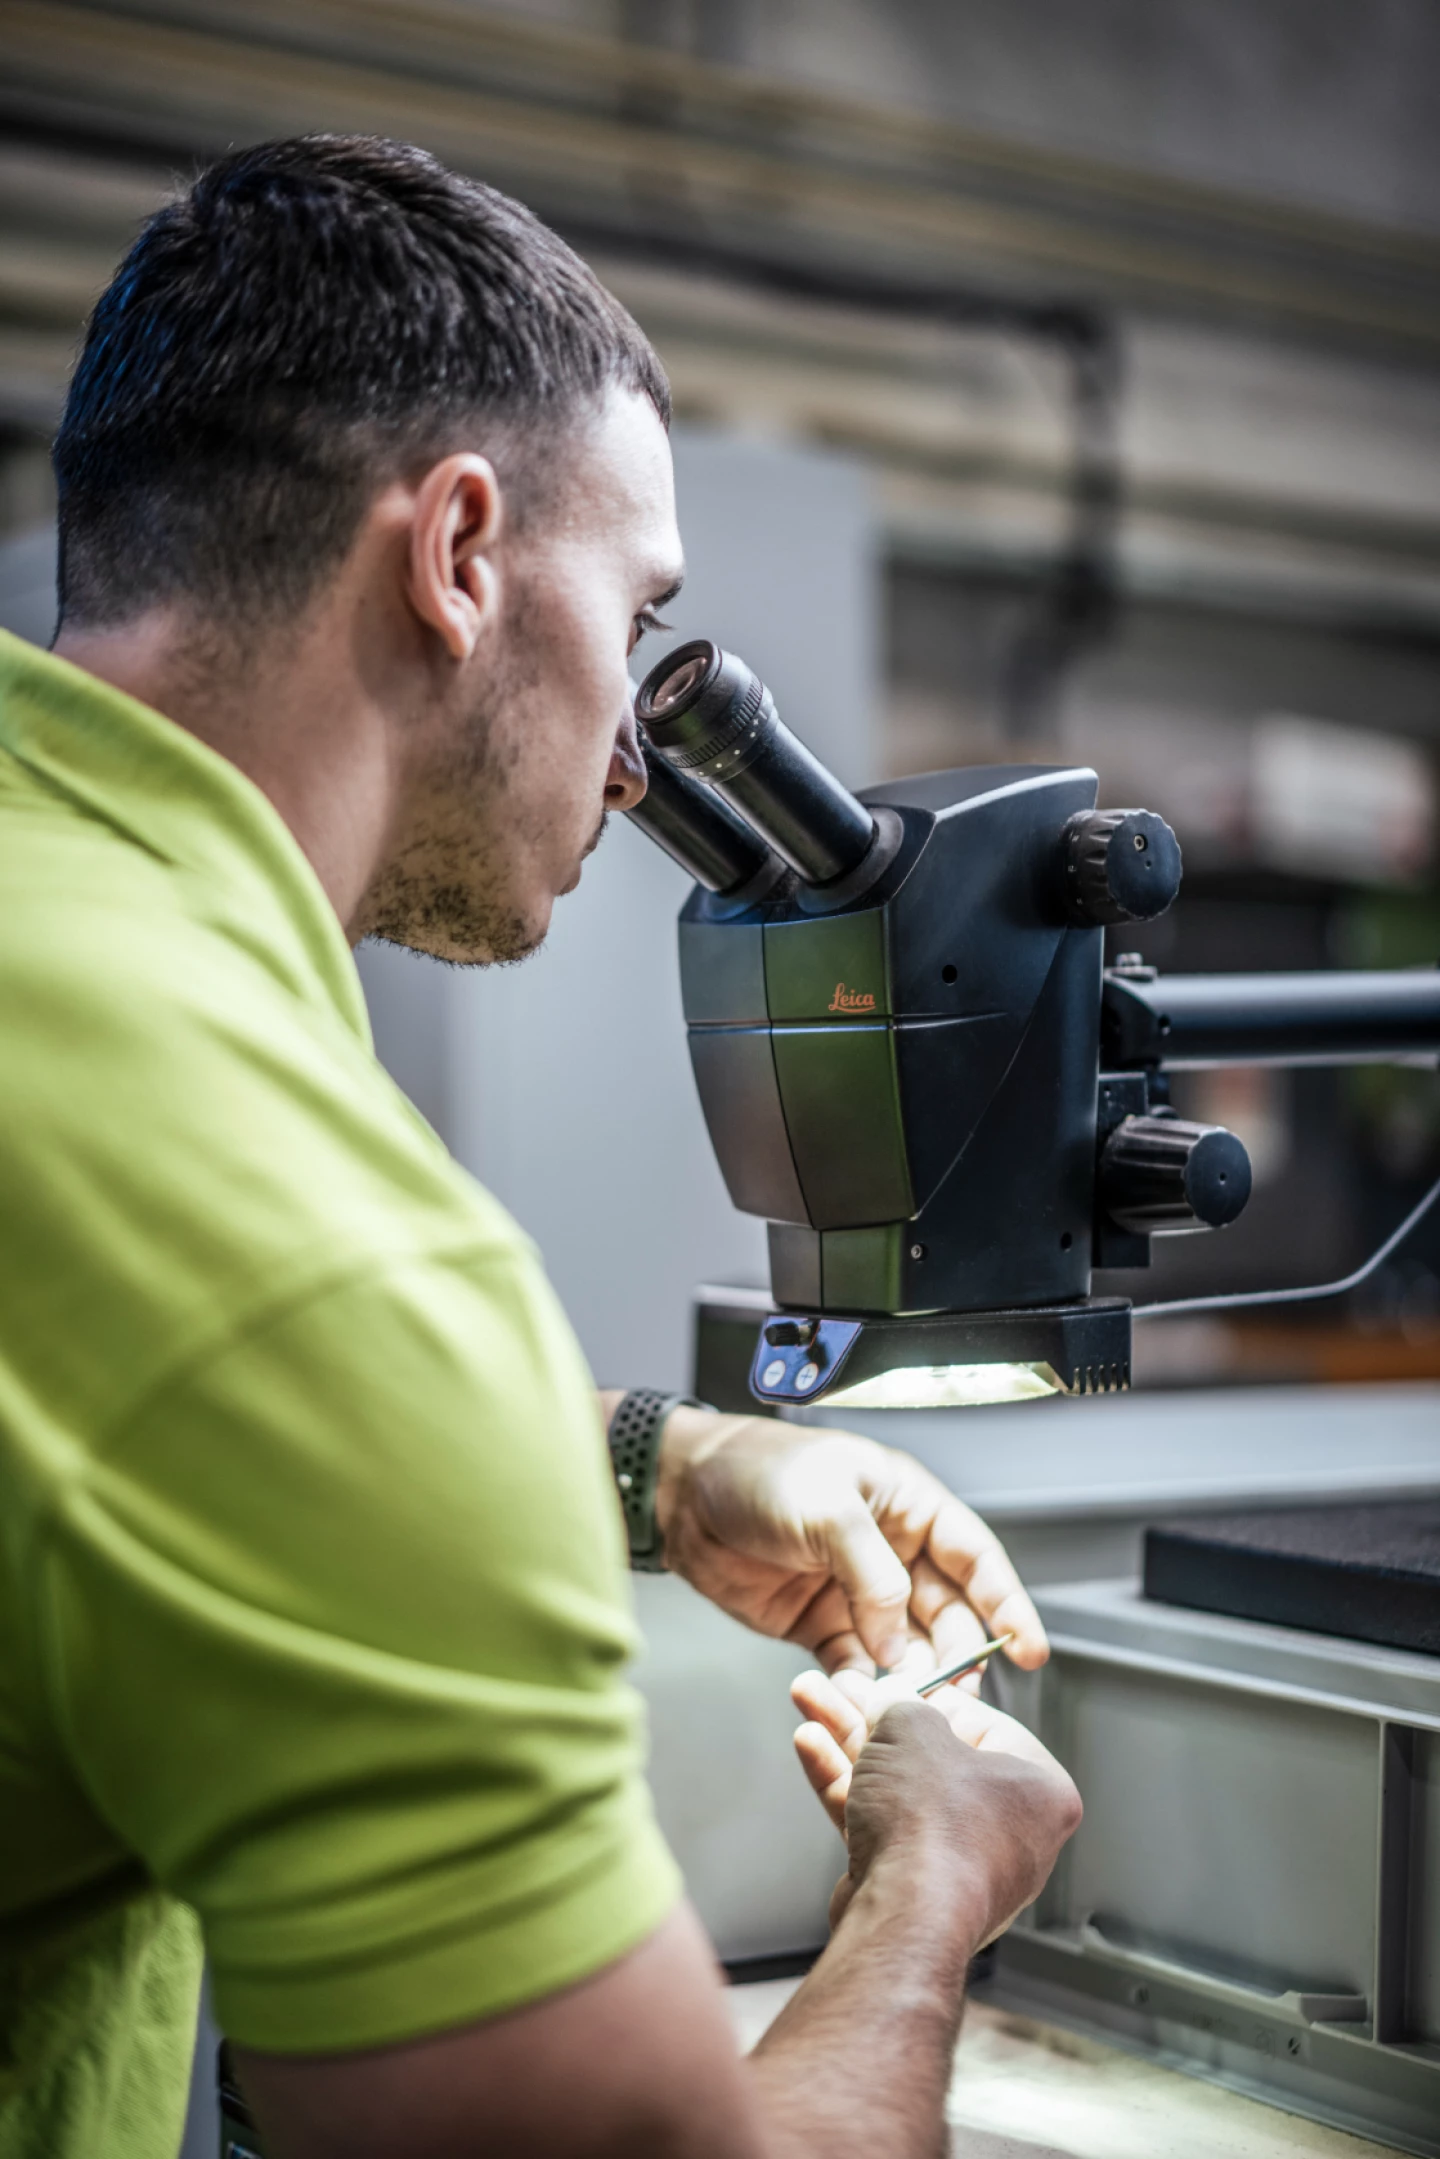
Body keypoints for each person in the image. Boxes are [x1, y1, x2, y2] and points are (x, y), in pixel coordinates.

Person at [0, 134, 1081, 2159]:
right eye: (642, 605)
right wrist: (934, 1880)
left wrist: (658, 1458)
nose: (643, 749)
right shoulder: (319, 1247)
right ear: (464, 552)